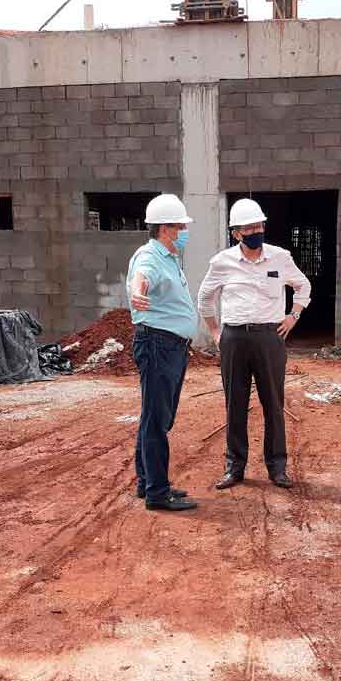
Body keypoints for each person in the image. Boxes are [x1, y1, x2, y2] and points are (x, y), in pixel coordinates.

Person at [197, 198, 312, 490]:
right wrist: (215, 332)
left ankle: (277, 467)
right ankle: (234, 467)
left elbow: (303, 286)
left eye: (259, 226)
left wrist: (293, 316)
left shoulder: (280, 257)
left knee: (273, 403)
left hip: (269, 338)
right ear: (236, 233)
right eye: (249, 228)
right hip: (234, 338)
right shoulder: (222, 262)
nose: (256, 232)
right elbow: (205, 298)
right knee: (234, 404)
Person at [126, 194, 199, 512]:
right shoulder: (150, 257)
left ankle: (148, 483)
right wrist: (136, 292)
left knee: (155, 417)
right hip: (158, 345)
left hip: (169, 346)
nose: (185, 230)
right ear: (166, 228)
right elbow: (141, 278)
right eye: (181, 225)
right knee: (157, 420)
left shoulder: (168, 257)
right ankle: (157, 491)